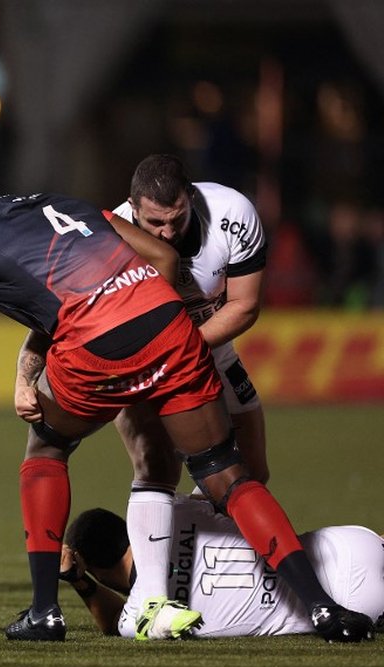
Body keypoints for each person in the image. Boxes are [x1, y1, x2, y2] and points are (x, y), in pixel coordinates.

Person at [0, 150, 376, 643]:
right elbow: (165, 258)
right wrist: (145, 328)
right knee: (227, 473)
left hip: (95, 349)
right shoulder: (58, 199)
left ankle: (44, 612)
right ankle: (322, 607)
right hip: (169, 327)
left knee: (47, 445)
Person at [108, 153, 272, 629]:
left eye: (175, 220)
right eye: (152, 223)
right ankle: (152, 597)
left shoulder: (232, 214)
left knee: (251, 474)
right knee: (153, 463)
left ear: (191, 199)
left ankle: (204, 569)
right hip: (145, 361)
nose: (163, 234)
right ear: (133, 209)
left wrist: (182, 348)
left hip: (210, 350)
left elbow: (243, 306)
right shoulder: (112, 232)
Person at [60, 499, 384, 639]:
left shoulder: (138, 615)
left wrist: (80, 581)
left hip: (353, 602)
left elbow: (116, 623)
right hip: (342, 543)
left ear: (98, 571)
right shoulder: (176, 511)